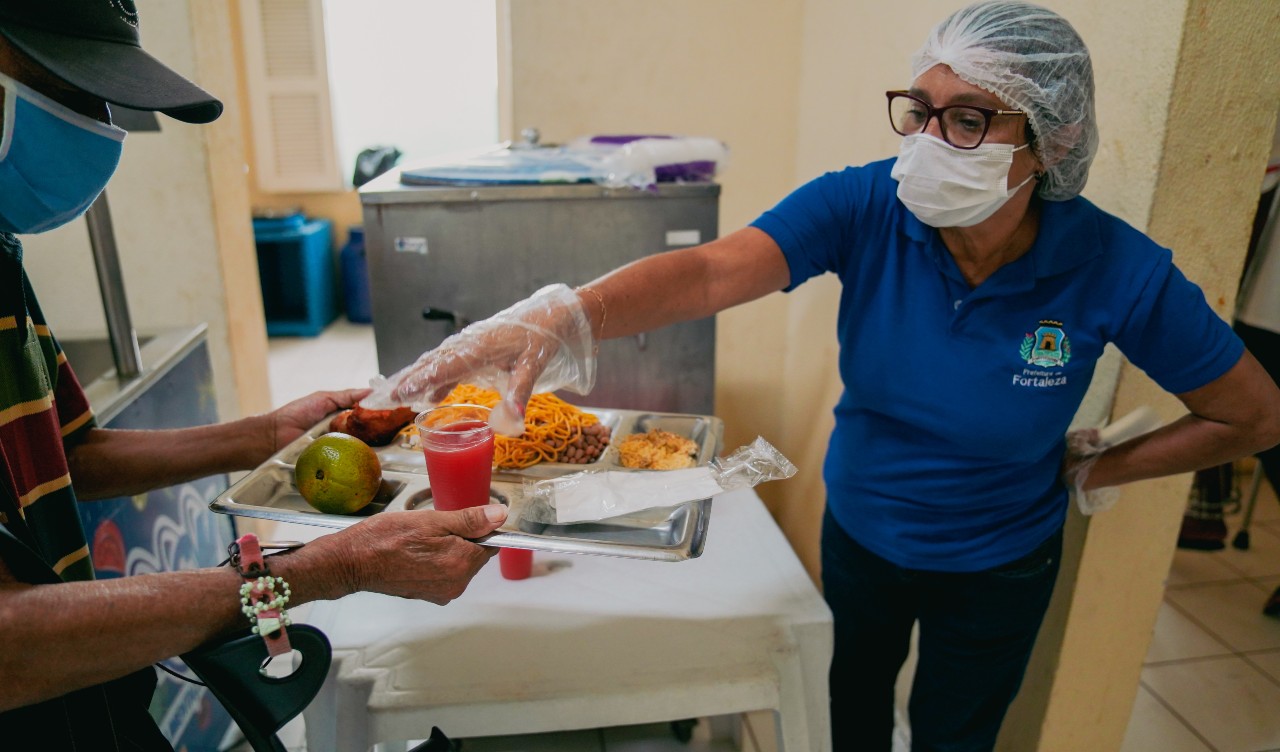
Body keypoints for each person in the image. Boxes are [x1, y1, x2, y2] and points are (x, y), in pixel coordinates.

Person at [384, 2, 1280, 750]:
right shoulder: (868, 204)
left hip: (1001, 562)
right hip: (864, 535)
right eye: (920, 108)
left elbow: (1251, 416)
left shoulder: (1118, 270)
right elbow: (709, 271)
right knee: (852, 712)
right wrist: (565, 313)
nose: (930, 141)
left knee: (954, 732)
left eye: (969, 119)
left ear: (1047, 144)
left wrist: (1098, 468)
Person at [0, 2, 506, 747]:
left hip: (77, 700)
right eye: (69, 93)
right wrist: (322, 571)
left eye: (106, 102)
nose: (96, 128)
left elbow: (69, 456)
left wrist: (265, 436)